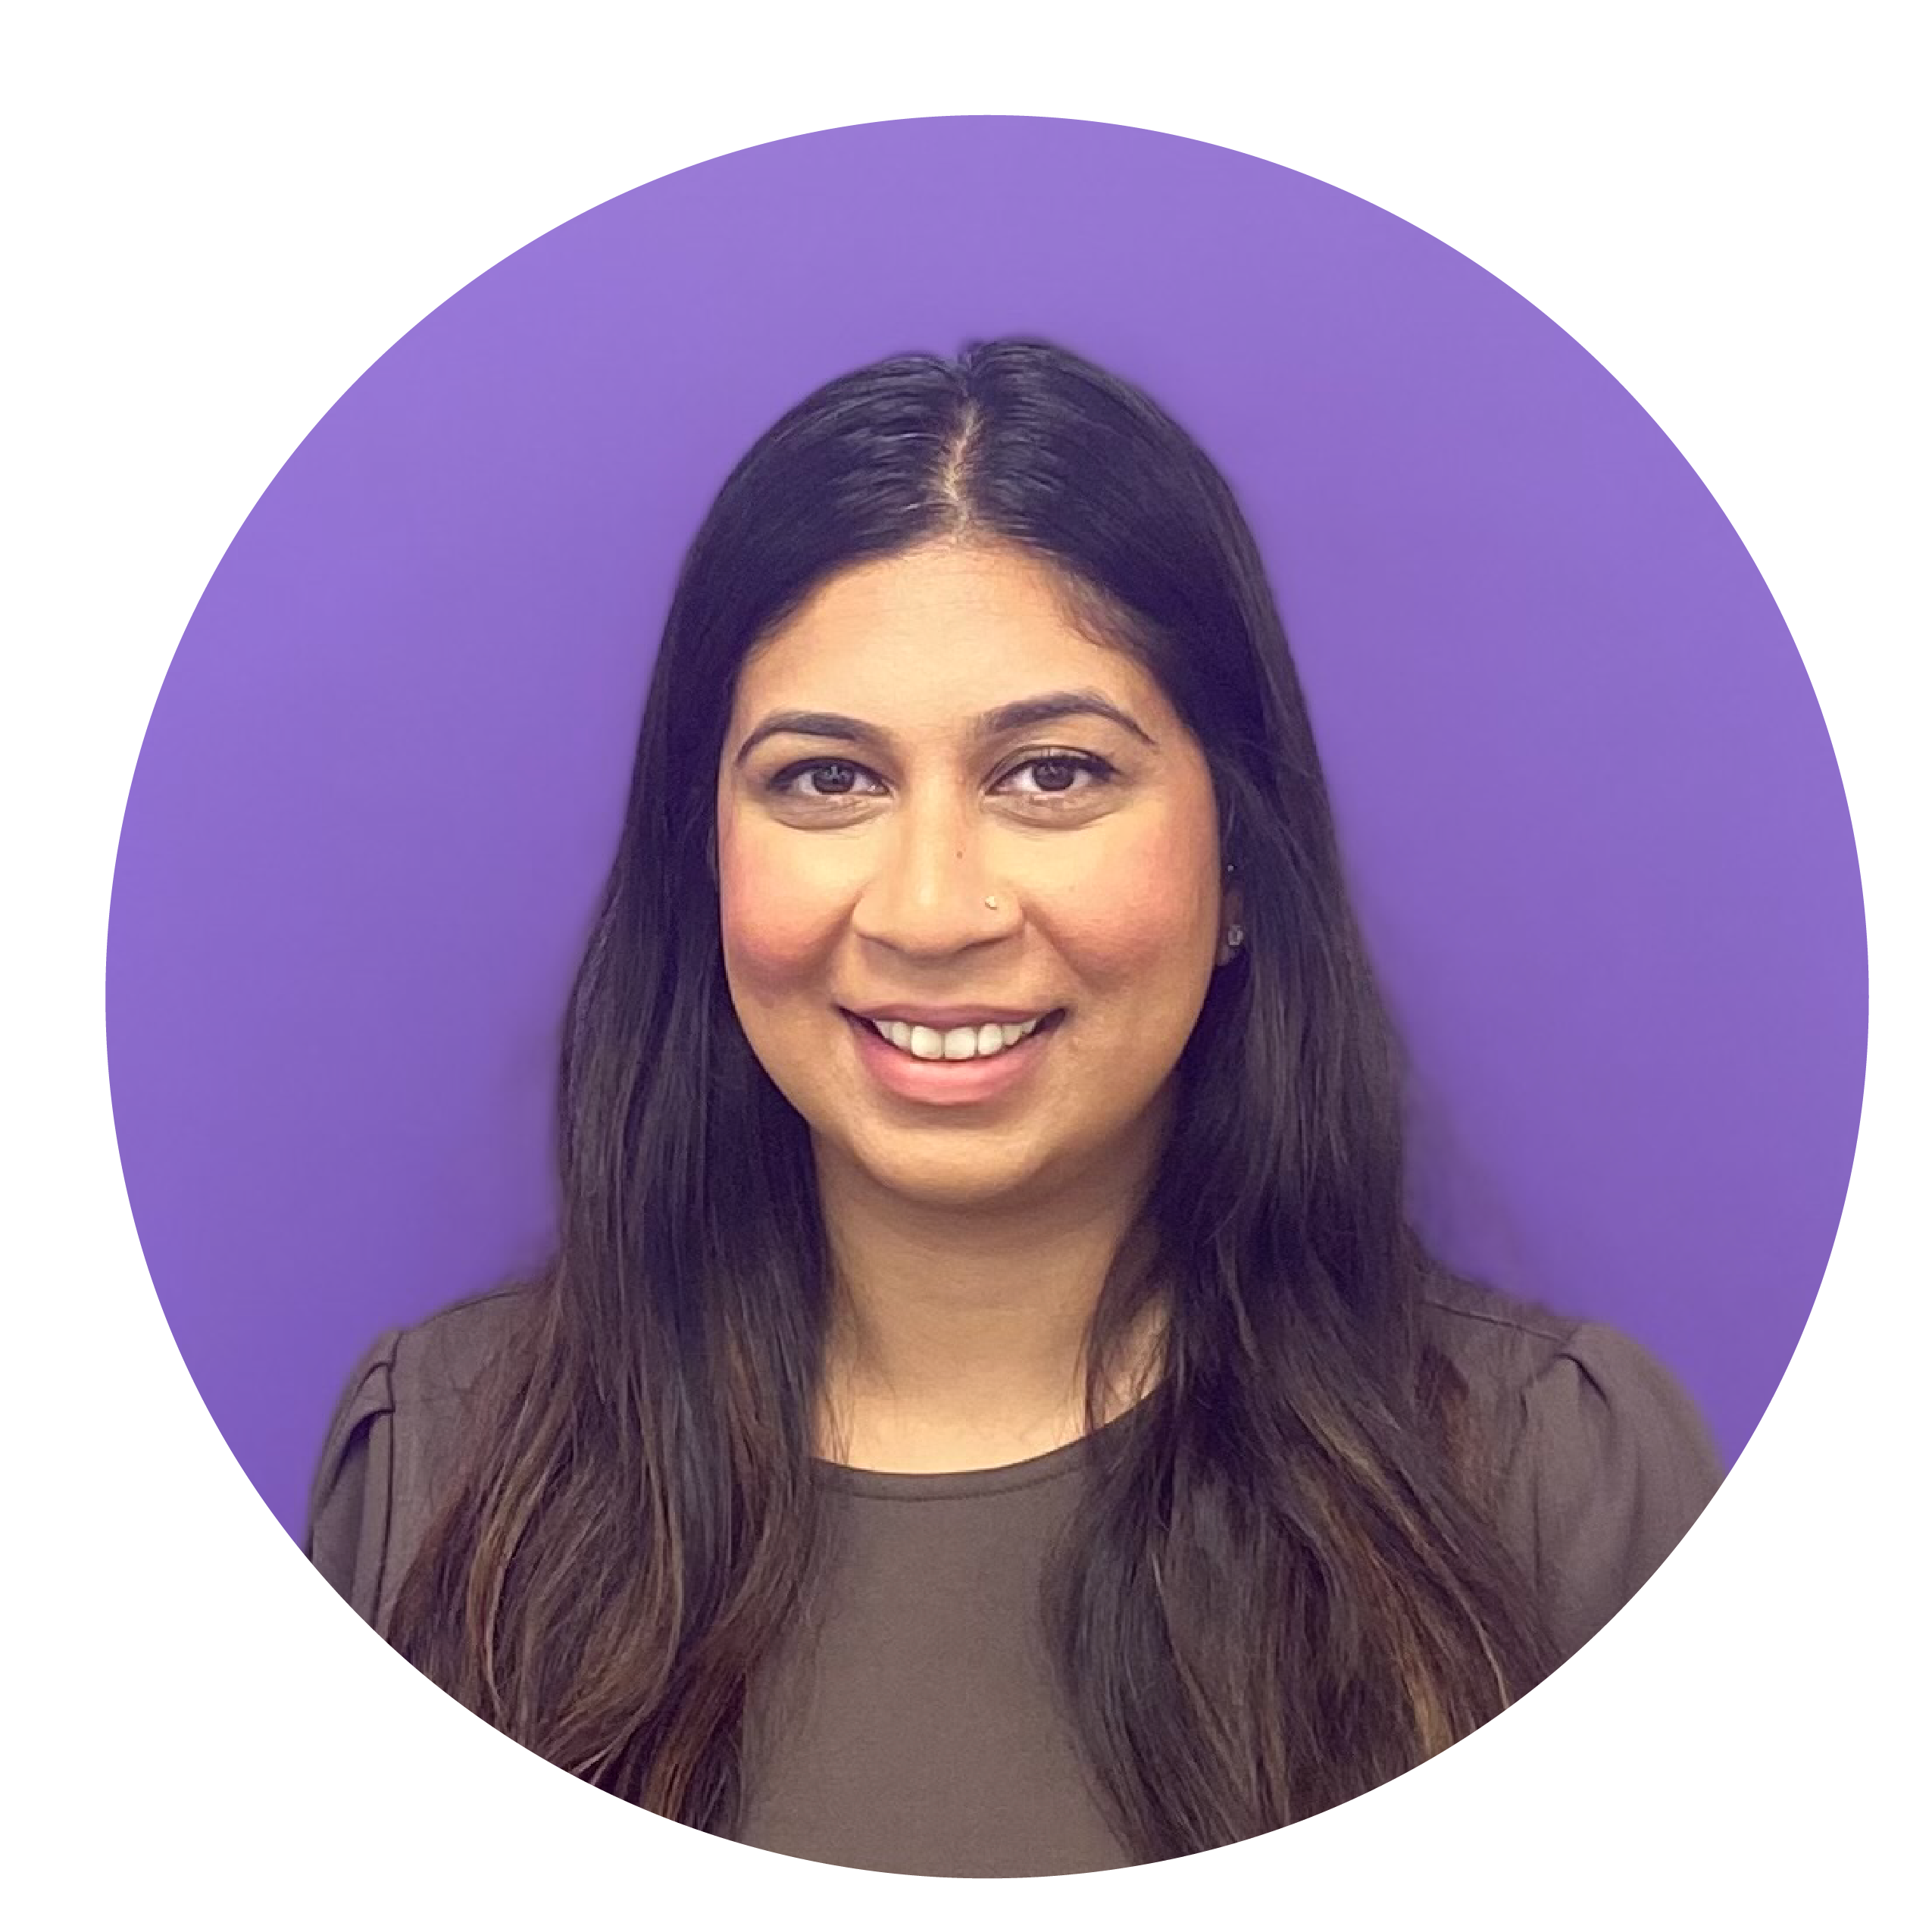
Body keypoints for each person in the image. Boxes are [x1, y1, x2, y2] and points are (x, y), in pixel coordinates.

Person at [305, 338, 1736, 1873]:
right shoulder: (445, 1496)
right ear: (703, 861)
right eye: (826, 780)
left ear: (1243, 866)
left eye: (1052, 775)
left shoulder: (1549, 1491)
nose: (932, 910)